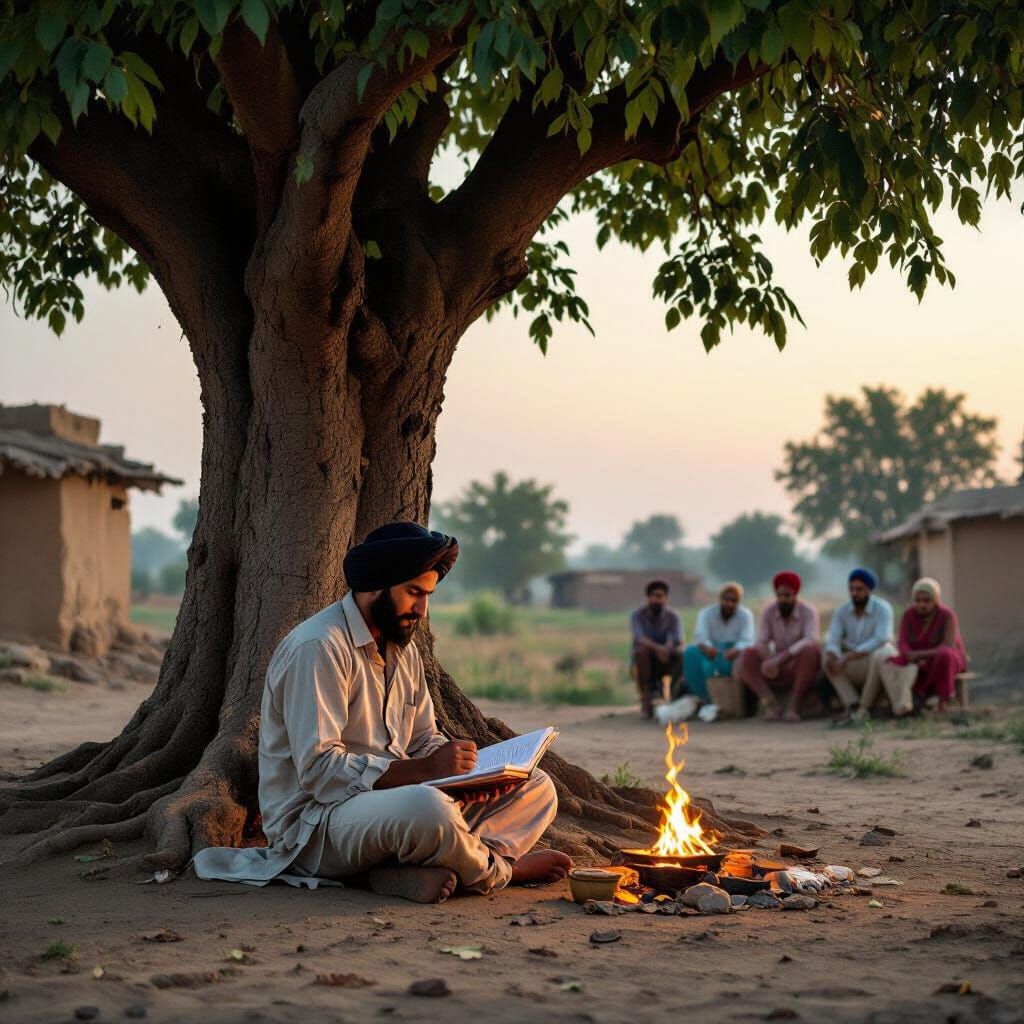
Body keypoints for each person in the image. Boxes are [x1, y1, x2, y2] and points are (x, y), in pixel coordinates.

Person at [194, 521, 571, 903]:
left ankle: (406, 869)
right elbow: (320, 772)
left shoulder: (401, 649)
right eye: (414, 593)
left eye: (428, 595)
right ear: (376, 586)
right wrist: (425, 771)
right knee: (428, 809)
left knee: (538, 786)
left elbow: (424, 738)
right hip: (317, 826)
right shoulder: (318, 648)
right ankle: (500, 869)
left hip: (393, 809)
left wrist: (470, 776)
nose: (422, 610)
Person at [739, 571, 821, 722]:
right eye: (779, 595)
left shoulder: (808, 611)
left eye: (787, 595)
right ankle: (770, 704)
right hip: (775, 664)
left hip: (799, 664)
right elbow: (762, 640)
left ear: (795, 595)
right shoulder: (768, 611)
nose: (782, 599)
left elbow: (811, 639)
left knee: (811, 651)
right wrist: (768, 659)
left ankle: (793, 707)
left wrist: (782, 658)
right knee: (747, 654)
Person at [879, 577, 967, 715]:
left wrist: (920, 655)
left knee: (945, 656)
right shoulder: (909, 614)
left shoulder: (947, 615)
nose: (922, 605)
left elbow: (948, 645)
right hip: (916, 658)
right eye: (918, 601)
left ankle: (943, 700)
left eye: (926, 601)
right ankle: (901, 703)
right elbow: (902, 641)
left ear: (936, 599)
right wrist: (909, 654)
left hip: (943, 657)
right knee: (890, 662)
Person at [822, 568, 897, 721]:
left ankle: (866, 706)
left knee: (883, 654)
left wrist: (849, 656)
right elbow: (833, 639)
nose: (854, 593)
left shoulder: (883, 609)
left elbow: (880, 639)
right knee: (826, 658)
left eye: (859, 589)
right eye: (851, 589)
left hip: (871, 659)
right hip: (849, 662)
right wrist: (834, 655)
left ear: (869, 590)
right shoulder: (842, 611)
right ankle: (852, 705)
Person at [682, 582, 755, 715]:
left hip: (734, 652)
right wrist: (709, 649)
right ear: (720, 599)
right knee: (690, 653)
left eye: (734, 601)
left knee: (749, 655)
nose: (729, 604)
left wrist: (736, 649)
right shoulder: (706, 613)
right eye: (726, 600)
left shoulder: (745, 615)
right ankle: (704, 699)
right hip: (709, 651)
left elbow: (747, 640)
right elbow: (701, 637)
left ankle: (738, 704)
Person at [631, 579, 684, 719]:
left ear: (666, 598)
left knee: (682, 654)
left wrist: (666, 648)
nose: (657, 599)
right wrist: (659, 649)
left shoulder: (673, 617)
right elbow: (640, 638)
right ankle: (646, 699)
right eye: (654, 596)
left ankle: (675, 695)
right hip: (646, 658)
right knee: (640, 651)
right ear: (648, 597)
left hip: (667, 657)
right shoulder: (638, 615)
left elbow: (676, 638)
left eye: (660, 596)